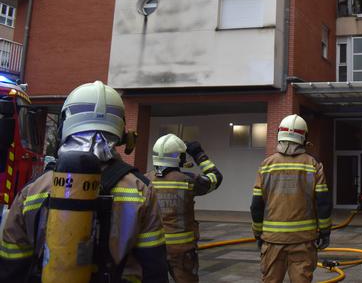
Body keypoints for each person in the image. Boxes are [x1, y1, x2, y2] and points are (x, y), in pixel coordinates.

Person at [0, 80, 168, 283]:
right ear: (121, 131)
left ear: (65, 125)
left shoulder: (33, 190)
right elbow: (154, 267)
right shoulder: (141, 190)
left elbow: (12, 266)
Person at [250, 114, 332, 283]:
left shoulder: (266, 165)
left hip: (272, 241)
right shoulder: (313, 165)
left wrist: (258, 233)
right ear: (304, 137)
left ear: (280, 134)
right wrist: (324, 232)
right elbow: (323, 203)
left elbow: (256, 205)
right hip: (303, 241)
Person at [146, 133, 223, 282]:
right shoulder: (187, 181)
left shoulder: (144, 180)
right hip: (182, 250)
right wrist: (198, 154)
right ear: (179, 158)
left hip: (152, 248)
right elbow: (216, 178)